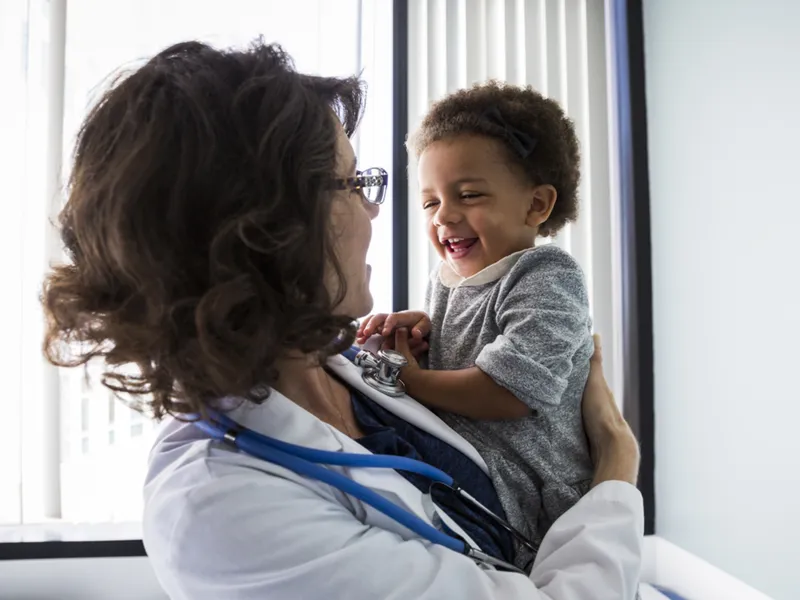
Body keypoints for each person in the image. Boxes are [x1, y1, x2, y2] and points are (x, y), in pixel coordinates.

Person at [41, 40, 643, 599]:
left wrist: (424, 353)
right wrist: (615, 476)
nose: (374, 210)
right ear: (268, 225)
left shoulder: (342, 367)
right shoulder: (223, 511)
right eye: (354, 183)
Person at [357, 83, 593, 569]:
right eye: (429, 202)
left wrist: (411, 379)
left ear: (536, 206)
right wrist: (422, 332)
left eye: (468, 194)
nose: (444, 215)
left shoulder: (547, 276)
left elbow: (509, 391)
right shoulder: (447, 281)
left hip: (532, 495)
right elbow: (466, 340)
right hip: (480, 470)